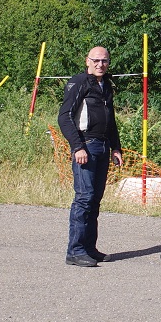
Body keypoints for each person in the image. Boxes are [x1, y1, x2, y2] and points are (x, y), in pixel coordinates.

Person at [57, 46, 123, 268]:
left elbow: (111, 119)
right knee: (84, 198)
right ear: (87, 61)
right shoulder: (79, 82)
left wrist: (116, 147)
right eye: (96, 60)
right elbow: (64, 117)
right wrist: (78, 147)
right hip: (86, 146)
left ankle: (89, 248)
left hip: (103, 146)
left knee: (94, 200)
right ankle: (75, 251)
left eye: (104, 61)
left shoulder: (106, 85)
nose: (100, 64)